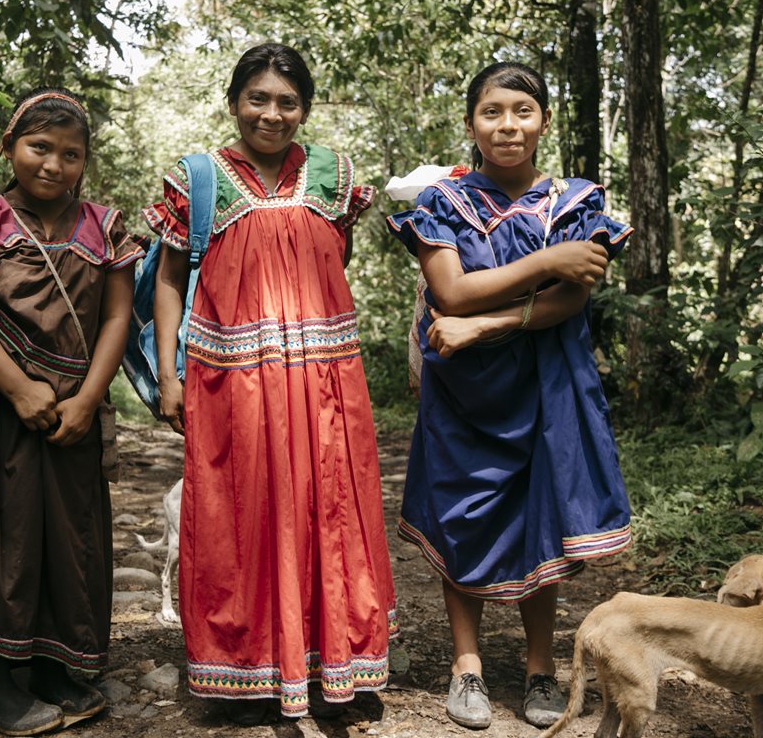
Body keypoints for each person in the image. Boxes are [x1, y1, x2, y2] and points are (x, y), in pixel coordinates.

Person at [145, 43, 397, 725]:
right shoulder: (197, 179)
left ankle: (335, 662)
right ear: (234, 102)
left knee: (332, 511)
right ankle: (246, 670)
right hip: (233, 384)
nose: (272, 113)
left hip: (325, 383)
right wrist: (168, 374)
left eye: (287, 101)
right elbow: (170, 280)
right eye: (258, 98)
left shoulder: (334, 175)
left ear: (304, 109)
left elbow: (328, 258)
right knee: (239, 515)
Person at [386, 62, 633, 730]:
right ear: (471, 124)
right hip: (464, 393)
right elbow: (452, 292)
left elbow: (573, 297)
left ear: (544, 120)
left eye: (523, 110)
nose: (509, 125)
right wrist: (547, 262)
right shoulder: (443, 204)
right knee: (460, 515)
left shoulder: (574, 202)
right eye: (492, 112)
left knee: (540, 517)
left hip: (547, 389)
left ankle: (539, 667)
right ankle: (466, 665)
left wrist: (486, 322)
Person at [0, 88, 142, 736]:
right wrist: (18, 390)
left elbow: (118, 315)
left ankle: (50, 666)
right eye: (39, 147)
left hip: (71, 415)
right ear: (10, 147)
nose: (54, 164)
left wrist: (89, 399)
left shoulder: (104, 227)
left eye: (71, 154)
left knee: (67, 539)